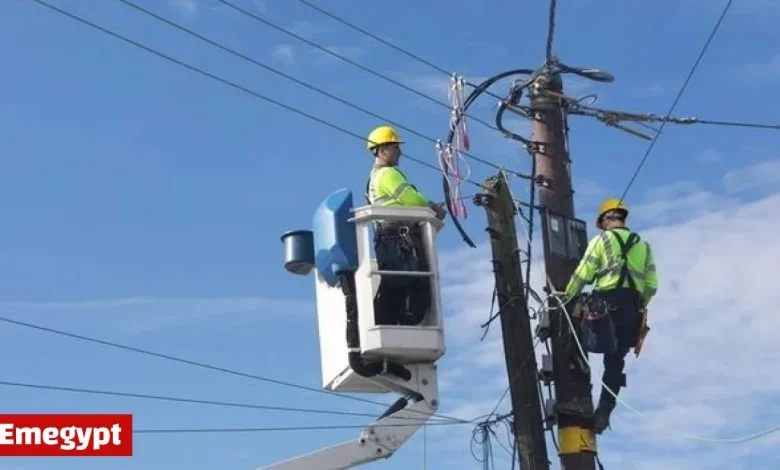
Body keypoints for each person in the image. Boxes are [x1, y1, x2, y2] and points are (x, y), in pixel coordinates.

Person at [561, 197, 659, 434]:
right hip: (632, 312)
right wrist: (639, 305)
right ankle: (604, 411)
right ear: (622, 218)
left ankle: (581, 400)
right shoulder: (643, 245)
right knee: (614, 363)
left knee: (574, 336)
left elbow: (583, 273)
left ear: (605, 220)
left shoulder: (601, 240)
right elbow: (652, 284)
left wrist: (565, 297)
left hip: (604, 307)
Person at [364, 125, 446, 326]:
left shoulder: (373, 178)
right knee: (410, 282)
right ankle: (400, 322)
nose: (400, 152)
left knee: (395, 284)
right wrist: (432, 207)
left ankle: (389, 323)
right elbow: (411, 199)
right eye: (395, 147)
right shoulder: (388, 173)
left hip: (387, 238)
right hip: (398, 239)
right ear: (382, 151)